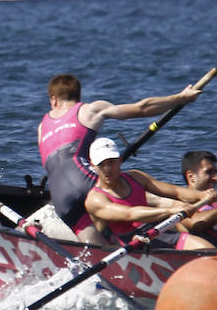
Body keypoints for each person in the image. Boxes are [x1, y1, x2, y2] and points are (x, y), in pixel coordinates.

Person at [36, 73, 202, 231]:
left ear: (53, 99)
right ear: (78, 96)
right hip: (85, 180)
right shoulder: (89, 110)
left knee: (93, 245)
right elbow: (142, 108)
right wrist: (182, 98)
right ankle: (197, 214)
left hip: (59, 195)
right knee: (150, 199)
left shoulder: (42, 127)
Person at [81, 138, 216, 249]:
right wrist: (172, 210)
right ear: (92, 164)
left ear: (120, 159)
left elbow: (176, 191)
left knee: (208, 251)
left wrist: (202, 195)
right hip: (125, 245)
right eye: (102, 164)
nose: (107, 169)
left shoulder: (136, 177)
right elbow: (131, 213)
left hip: (155, 232)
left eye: (111, 162)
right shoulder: (95, 199)